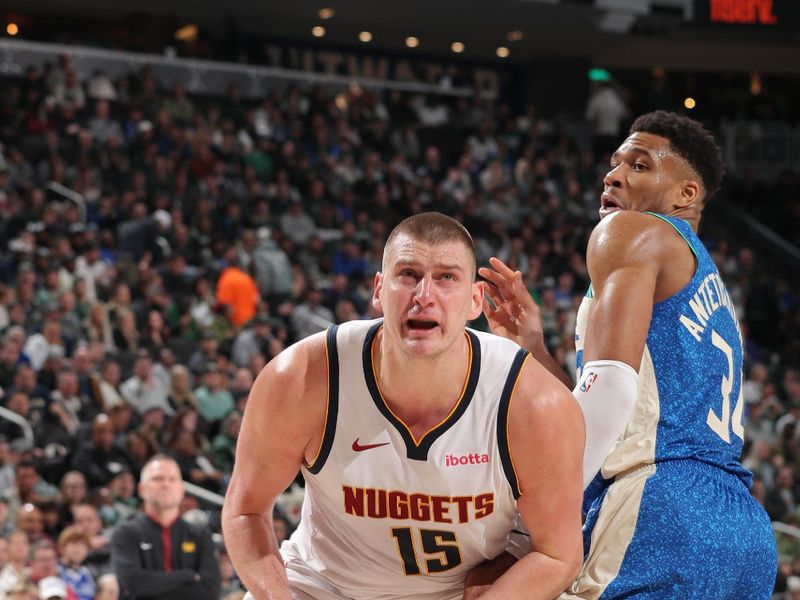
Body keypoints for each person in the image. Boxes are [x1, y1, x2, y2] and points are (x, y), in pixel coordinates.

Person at [480, 111, 777, 598]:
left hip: (661, 507)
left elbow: (611, 394)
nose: (613, 175)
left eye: (639, 166)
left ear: (686, 194)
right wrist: (532, 347)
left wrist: (526, 521)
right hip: (740, 525)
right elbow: (619, 407)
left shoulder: (632, 231)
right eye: (615, 163)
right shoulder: (708, 282)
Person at [222, 212, 584, 599]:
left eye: (447, 277)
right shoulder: (302, 378)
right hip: (320, 586)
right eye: (408, 274)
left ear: (475, 300)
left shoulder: (532, 402)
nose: (424, 296)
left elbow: (557, 554)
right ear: (379, 290)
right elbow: (246, 511)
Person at [110, 454, 220, 599]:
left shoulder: (201, 535)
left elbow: (210, 589)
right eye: (157, 479)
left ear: (181, 490)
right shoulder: (125, 533)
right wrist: (187, 575)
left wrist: (153, 585)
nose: (165, 484)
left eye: (172, 479)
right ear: (142, 489)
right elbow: (133, 583)